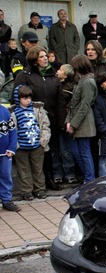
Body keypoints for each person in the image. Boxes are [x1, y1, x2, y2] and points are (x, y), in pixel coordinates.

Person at [13, 46, 62, 191]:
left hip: (50, 120)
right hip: (30, 121)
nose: (45, 58)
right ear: (34, 59)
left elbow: (59, 100)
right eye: (41, 56)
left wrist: (60, 120)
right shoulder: (24, 75)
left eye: (46, 56)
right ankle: (32, 186)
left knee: (49, 151)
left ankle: (49, 180)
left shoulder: (52, 75)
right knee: (33, 155)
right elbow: (16, 97)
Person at [10, 85, 50, 201]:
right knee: (23, 170)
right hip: (21, 146)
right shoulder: (13, 112)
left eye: (29, 98)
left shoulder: (37, 109)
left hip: (37, 145)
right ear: (18, 99)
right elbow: (11, 129)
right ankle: (26, 191)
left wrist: (43, 141)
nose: (28, 100)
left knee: (38, 169)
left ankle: (40, 189)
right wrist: (15, 144)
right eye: (24, 98)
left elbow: (45, 125)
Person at [66, 54, 98, 183]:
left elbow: (85, 105)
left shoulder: (88, 82)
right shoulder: (81, 81)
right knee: (76, 152)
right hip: (77, 120)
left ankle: (89, 179)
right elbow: (74, 104)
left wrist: (73, 124)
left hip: (84, 123)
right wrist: (69, 121)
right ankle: (87, 176)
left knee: (84, 152)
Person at [55, 64, 78, 184]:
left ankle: (69, 172)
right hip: (56, 121)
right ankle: (58, 173)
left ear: (66, 74)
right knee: (56, 149)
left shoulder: (70, 88)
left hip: (65, 122)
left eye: (60, 70)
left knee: (66, 149)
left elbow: (69, 106)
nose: (57, 72)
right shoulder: (55, 84)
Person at [0, 100, 19, 211]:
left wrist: (12, 148)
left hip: (5, 152)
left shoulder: (5, 111)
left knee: (6, 177)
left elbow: (12, 131)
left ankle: (7, 200)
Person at [0, 9, 12, 76]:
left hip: (4, 51)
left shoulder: (7, 28)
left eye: (1, 14)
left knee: (4, 70)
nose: (0, 16)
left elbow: (6, 39)